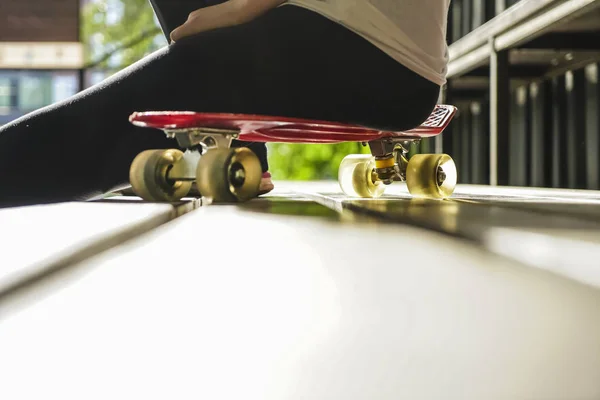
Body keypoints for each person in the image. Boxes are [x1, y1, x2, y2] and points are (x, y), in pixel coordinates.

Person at [0, 0, 450, 207]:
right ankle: (239, 149)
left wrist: (243, 9)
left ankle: (230, 142)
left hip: (358, 49)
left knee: (107, 123)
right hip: (394, 69)